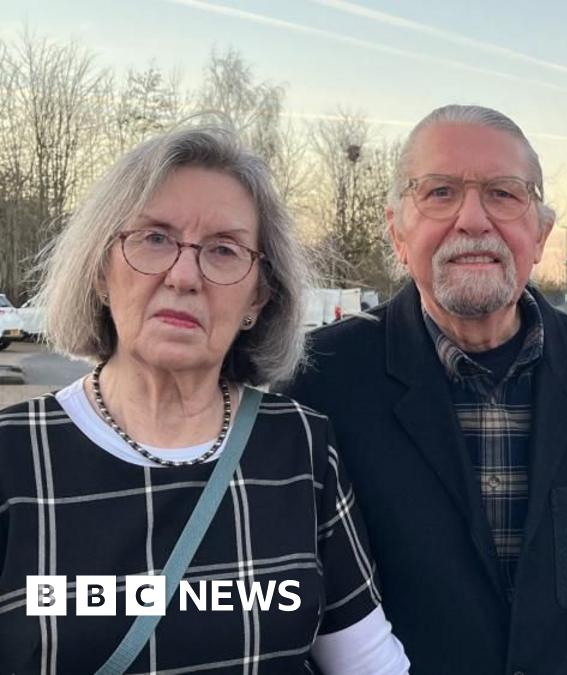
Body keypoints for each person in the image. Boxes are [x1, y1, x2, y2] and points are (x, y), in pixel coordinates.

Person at [0, 126, 409, 673]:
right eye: (154, 238)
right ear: (101, 271)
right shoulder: (14, 457)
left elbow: (369, 664)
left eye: (223, 250)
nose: (184, 275)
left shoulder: (301, 448)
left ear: (257, 298)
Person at [281, 104, 567, 674]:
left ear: (540, 232)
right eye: (440, 192)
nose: (473, 220)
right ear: (398, 232)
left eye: (504, 194)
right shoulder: (318, 381)